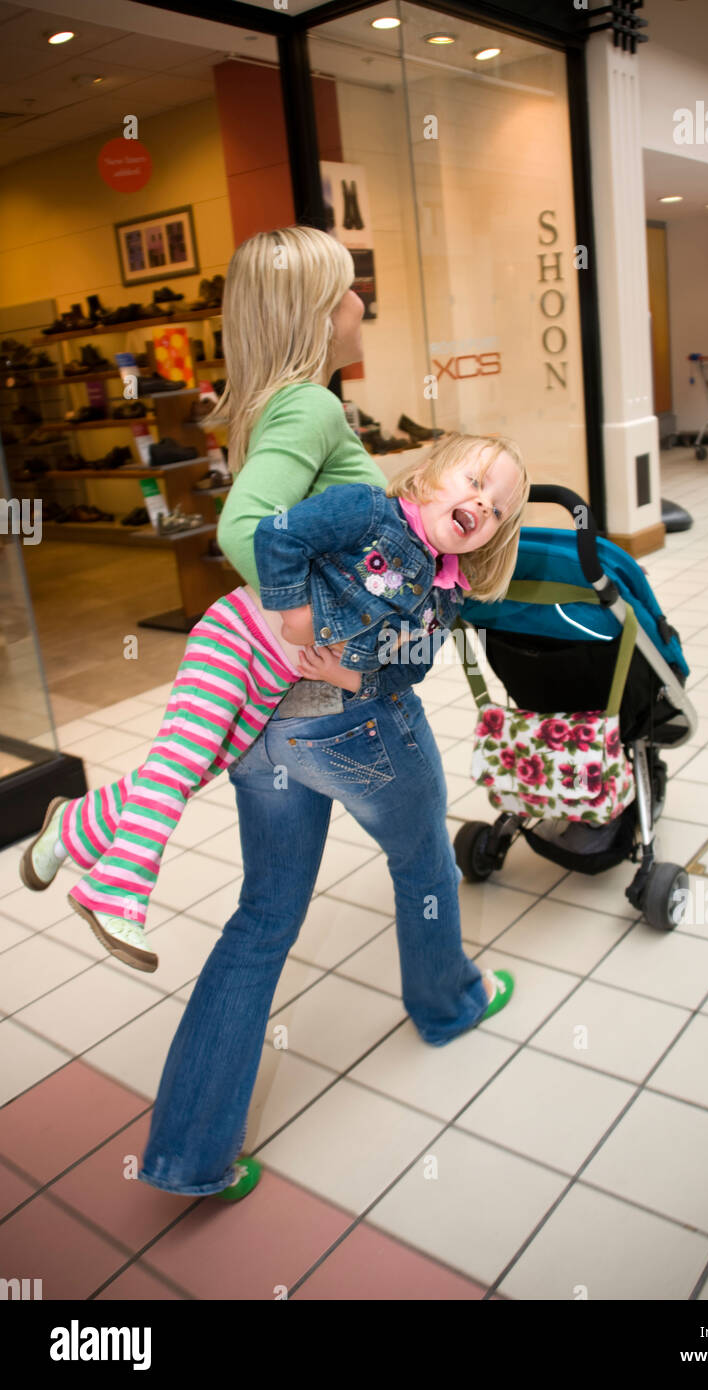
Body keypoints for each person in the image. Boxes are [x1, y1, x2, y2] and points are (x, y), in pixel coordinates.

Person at [22, 226, 525, 1202]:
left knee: (262, 917)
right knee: (421, 856)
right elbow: (247, 529)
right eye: (347, 294)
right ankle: (447, 1000)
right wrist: (303, 631)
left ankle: (190, 1152)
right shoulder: (310, 404)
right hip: (350, 712)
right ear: (311, 311)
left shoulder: (278, 408)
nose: (358, 309)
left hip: (272, 725)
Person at [19, 434, 528, 973]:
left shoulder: (443, 596)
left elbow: (412, 667)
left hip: (275, 679)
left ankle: (72, 826)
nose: (479, 505)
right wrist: (294, 612)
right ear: (427, 478)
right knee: (178, 763)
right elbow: (277, 535)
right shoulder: (367, 510)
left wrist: (349, 677)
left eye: (495, 509)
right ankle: (116, 891)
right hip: (236, 635)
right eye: (473, 483)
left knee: (196, 770)